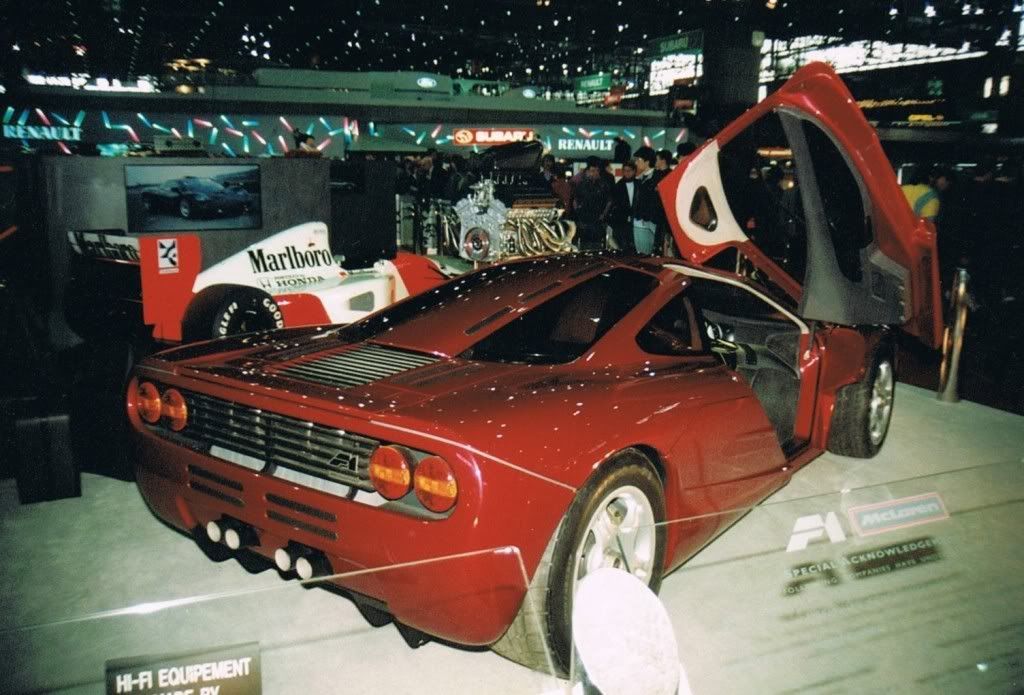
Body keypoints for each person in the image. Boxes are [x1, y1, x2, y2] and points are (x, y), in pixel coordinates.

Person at [572, 156, 613, 251]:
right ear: (587, 172)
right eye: (592, 171)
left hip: (598, 220)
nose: (594, 173)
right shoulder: (581, 185)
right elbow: (575, 199)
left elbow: (609, 201)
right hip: (584, 219)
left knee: (597, 246)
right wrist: (578, 213)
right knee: (584, 245)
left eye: (596, 171)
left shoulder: (604, 185)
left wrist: (603, 215)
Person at [632, 147, 663, 255]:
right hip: (638, 220)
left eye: (638, 160)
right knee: (639, 252)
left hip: (650, 221)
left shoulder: (658, 178)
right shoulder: (639, 179)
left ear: (647, 162)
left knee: (647, 254)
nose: (636, 162)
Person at [610, 161, 638, 252]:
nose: (627, 173)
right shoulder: (618, 186)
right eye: (625, 171)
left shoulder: (639, 184)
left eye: (629, 171)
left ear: (634, 171)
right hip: (621, 221)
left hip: (636, 220)